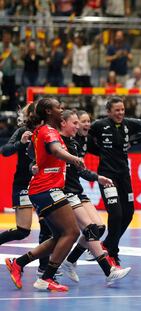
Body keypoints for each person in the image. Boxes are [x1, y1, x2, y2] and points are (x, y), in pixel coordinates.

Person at [5, 97, 84, 292]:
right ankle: (46, 277)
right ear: (49, 112)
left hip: (44, 188)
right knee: (72, 232)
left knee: (59, 236)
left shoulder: (42, 131)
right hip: (47, 189)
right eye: (58, 107)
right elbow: (56, 151)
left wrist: (37, 163)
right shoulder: (48, 131)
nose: (62, 108)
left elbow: (35, 153)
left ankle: (19, 263)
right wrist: (74, 159)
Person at [58, 110, 131, 284]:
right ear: (64, 123)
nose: (83, 125)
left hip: (77, 189)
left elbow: (81, 169)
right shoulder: (58, 142)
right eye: (78, 122)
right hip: (65, 191)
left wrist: (98, 178)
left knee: (98, 227)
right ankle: (108, 270)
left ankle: (69, 261)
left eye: (85, 121)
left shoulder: (77, 142)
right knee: (87, 229)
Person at [88, 96, 141, 267]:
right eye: (116, 110)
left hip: (124, 176)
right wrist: (102, 152)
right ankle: (113, 252)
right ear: (108, 112)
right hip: (107, 177)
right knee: (116, 214)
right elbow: (87, 140)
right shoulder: (99, 125)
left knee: (128, 213)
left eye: (122, 110)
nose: (120, 113)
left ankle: (107, 244)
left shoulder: (128, 123)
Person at [0, 104, 55, 277]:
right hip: (23, 184)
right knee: (22, 231)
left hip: (42, 184)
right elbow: (4, 151)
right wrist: (20, 143)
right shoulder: (23, 131)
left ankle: (43, 268)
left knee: (47, 226)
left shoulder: (49, 131)